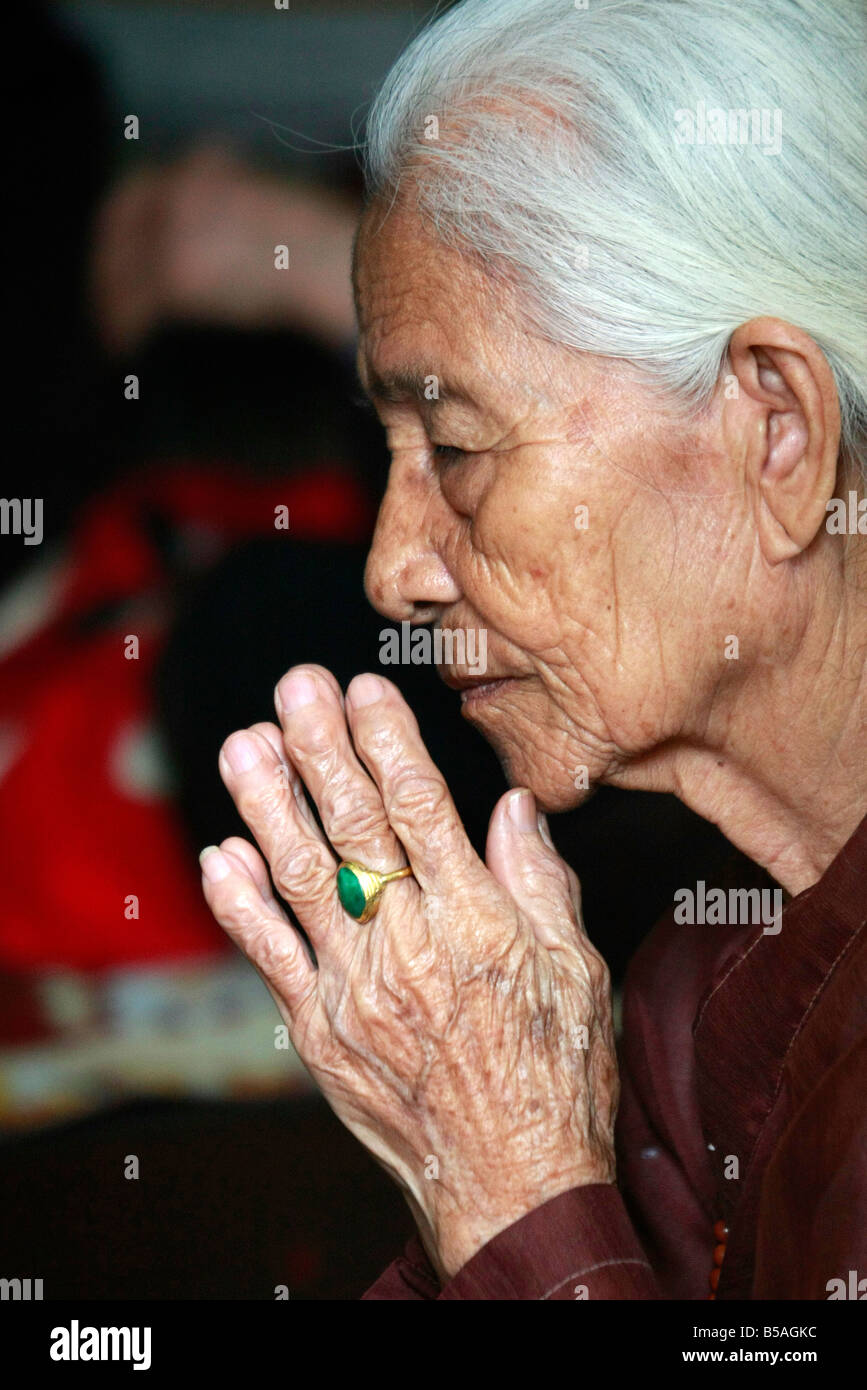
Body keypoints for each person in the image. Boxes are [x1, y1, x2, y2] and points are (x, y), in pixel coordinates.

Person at [198, 0, 866, 1299]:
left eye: (453, 449)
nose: (393, 567)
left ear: (775, 430)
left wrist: (513, 1186)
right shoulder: (695, 991)